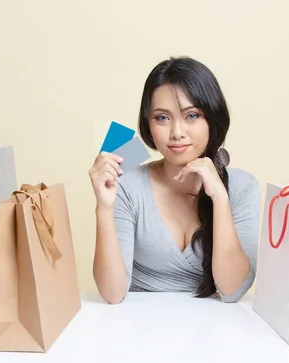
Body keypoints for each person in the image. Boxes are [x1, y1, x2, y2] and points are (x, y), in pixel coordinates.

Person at [89, 56, 260, 304]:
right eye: (162, 118)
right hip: (137, 328)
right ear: (148, 125)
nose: (177, 132)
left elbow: (232, 290)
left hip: (216, 332)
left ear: (212, 119)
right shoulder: (127, 184)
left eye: (192, 116)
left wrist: (220, 198)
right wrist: (103, 207)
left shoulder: (243, 187)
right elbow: (112, 294)